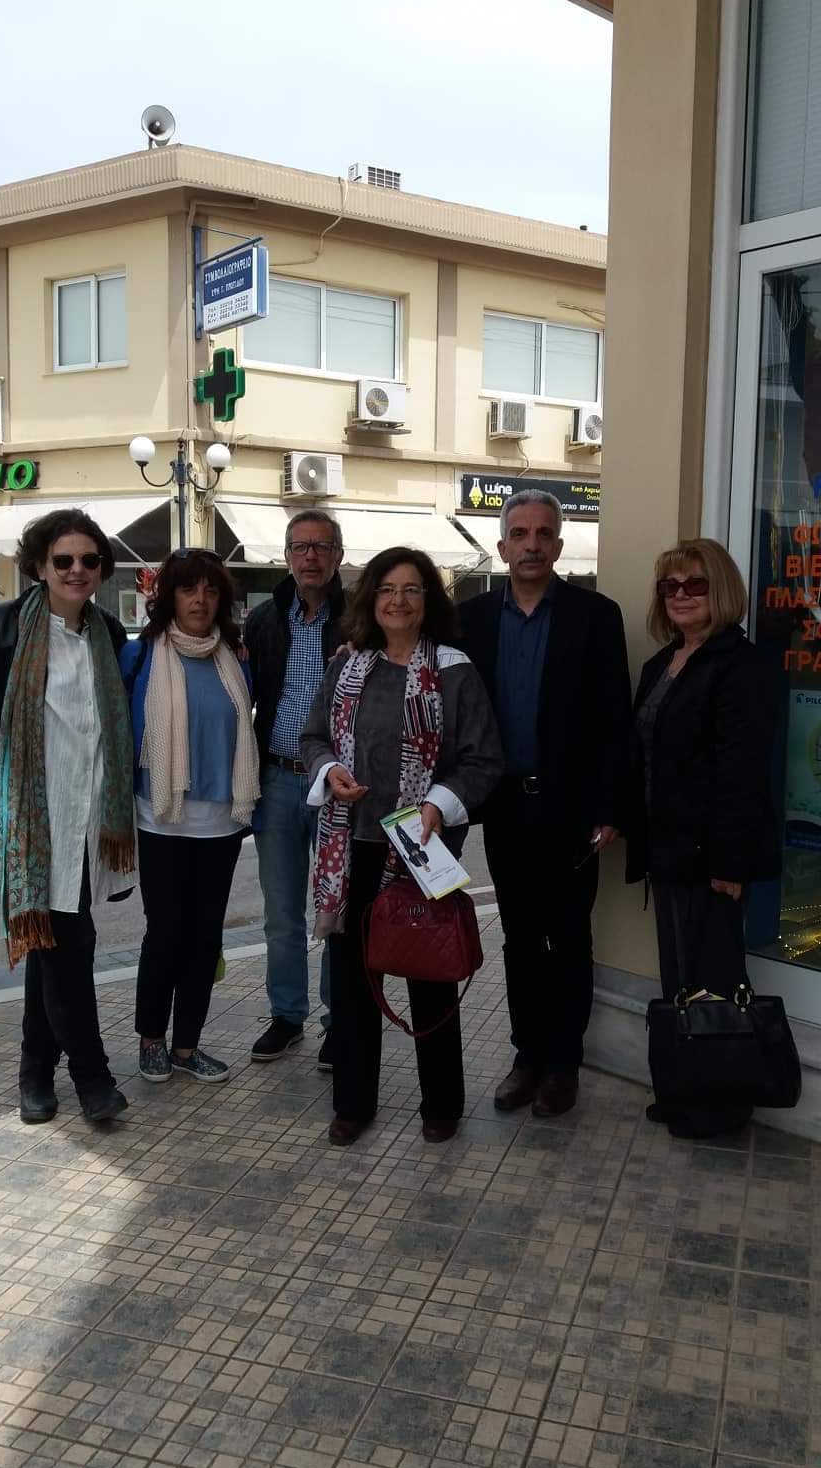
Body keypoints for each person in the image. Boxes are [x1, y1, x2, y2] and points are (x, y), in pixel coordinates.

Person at [301, 546, 503, 1146]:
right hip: (351, 851)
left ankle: (441, 1103)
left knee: (429, 975)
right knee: (353, 983)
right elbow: (313, 738)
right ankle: (352, 1103)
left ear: (428, 601)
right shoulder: (348, 667)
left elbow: (483, 759)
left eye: (411, 589)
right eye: (387, 589)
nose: (398, 600)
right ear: (371, 599)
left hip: (419, 848)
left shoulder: (455, 671)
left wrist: (437, 803)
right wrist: (330, 770)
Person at [0, 508, 136, 1125]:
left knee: (54, 945)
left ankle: (35, 1070)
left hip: (88, 819)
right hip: (29, 818)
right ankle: (92, 1077)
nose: (77, 570)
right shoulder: (1, 626)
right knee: (70, 945)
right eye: (63, 560)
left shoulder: (108, 633)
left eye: (89, 560)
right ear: (39, 565)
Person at [458, 489, 633, 1118]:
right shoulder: (470, 619)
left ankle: (564, 1065)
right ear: (502, 546)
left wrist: (611, 807)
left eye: (543, 534)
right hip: (505, 807)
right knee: (521, 939)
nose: (531, 544)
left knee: (570, 938)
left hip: (573, 811)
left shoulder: (596, 616)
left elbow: (615, 719)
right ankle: (527, 1057)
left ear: (559, 545)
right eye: (520, 534)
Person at [627, 539, 781, 1135]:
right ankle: (685, 1088)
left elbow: (743, 772)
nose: (682, 595)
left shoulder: (741, 665)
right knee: (680, 979)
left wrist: (730, 864)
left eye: (695, 584)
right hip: (667, 849)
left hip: (711, 855)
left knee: (714, 983)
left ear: (721, 591)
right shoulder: (663, 663)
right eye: (671, 586)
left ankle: (720, 1105)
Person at [120, 549, 260, 1084]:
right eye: (187, 589)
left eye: (210, 589)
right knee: (165, 932)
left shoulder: (235, 659)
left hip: (221, 821)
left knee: (205, 937)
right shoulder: (140, 655)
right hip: (160, 818)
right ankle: (151, 1039)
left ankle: (187, 1046)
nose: (200, 600)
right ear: (169, 597)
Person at [246, 509, 345, 1067]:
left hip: (338, 784)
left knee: (337, 905)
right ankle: (287, 1015)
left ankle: (339, 1020)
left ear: (338, 556)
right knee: (282, 912)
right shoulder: (265, 619)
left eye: (321, 546)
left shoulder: (359, 618)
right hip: (279, 779)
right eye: (300, 547)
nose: (310, 556)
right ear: (286, 556)